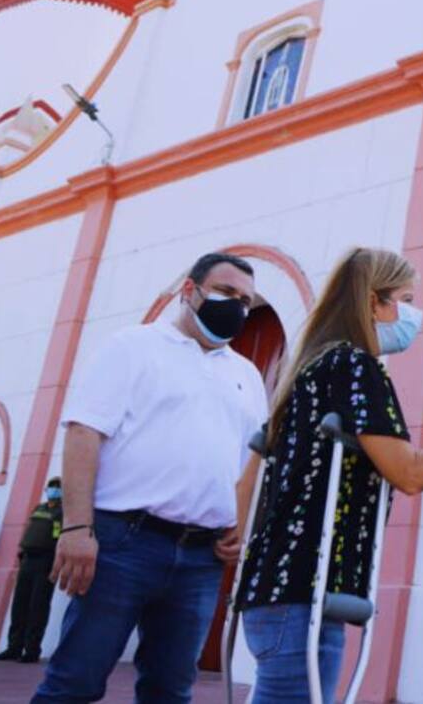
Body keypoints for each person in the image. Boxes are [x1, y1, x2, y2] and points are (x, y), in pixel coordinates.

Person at [237, 247, 423, 704]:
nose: (411, 314)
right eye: (404, 297)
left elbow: (258, 466)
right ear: (373, 302)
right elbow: (409, 473)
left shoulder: (307, 369)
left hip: (278, 588)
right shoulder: (356, 367)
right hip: (305, 591)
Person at [32, 252, 269, 703]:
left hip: (201, 558)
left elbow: (246, 462)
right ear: (189, 291)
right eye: (225, 292)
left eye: (245, 299)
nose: (236, 306)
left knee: (171, 689)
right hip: (123, 543)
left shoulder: (247, 375)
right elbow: (85, 432)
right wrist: (78, 528)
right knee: (74, 681)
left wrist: (239, 524)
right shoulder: (133, 347)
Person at [0, 478, 63, 663]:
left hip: (46, 560)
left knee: (38, 607)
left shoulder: (63, 511)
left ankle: (31, 650)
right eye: (52, 487)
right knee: (19, 605)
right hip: (28, 560)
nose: (54, 490)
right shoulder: (39, 508)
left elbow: (60, 537)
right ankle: (13, 647)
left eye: (58, 487)